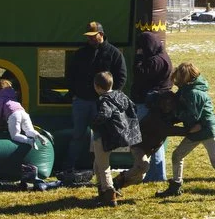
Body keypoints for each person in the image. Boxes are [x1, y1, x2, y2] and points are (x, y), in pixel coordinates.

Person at [159, 63, 215, 199]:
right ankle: (175, 186)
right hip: (196, 129)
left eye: (178, 78)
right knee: (177, 155)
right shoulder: (186, 89)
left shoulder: (194, 93)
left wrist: (176, 113)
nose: (175, 81)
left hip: (206, 129)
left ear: (185, 78)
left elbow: (192, 115)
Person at [67, 22, 127, 179]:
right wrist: (74, 92)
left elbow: (121, 77)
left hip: (103, 103)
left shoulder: (114, 53)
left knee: (101, 137)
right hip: (81, 101)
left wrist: (110, 97)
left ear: (101, 34)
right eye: (88, 37)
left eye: (94, 36)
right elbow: (70, 75)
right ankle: (69, 167)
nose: (91, 39)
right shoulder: (80, 53)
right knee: (78, 135)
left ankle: (101, 169)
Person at [90, 71, 142, 206]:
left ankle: (109, 194)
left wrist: (93, 123)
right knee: (98, 163)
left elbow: (104, 115)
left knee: (103, 166)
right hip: (119, 136)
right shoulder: (121, 95)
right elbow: (133, 108)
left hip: (103, 137)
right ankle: (101, 189)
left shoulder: (103, 100)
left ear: (97, 87)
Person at [132, 31, 172, 183]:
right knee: (155, 139)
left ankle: (156, 175)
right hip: (154, 103)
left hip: (148, 104)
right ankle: (155, 174)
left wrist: (139, 57)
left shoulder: (156, 61)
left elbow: (139, 73)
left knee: (151, 139)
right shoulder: (162, 57)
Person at [0, 79, 41, 148]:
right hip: (23, 112)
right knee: (29, 130)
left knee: (15, 135)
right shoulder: (13, 95)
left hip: (14, 115)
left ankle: (29, 141)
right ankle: (37, 135)